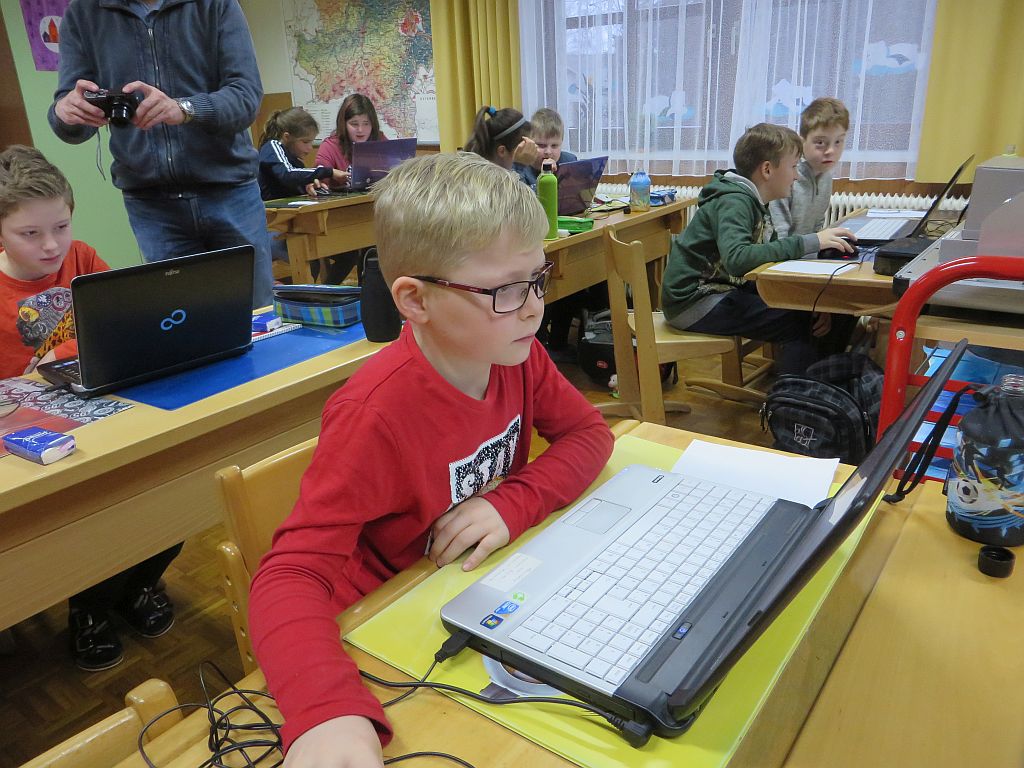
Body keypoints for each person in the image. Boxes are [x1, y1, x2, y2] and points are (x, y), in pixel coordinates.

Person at [248, 152, 614, 766]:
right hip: (385, 614)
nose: (534, 307)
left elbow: (588, 434)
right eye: (504, 290)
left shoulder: (516, 352)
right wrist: (327, 712)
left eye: (537, 277)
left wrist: (512, 503)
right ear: (415, 300)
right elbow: (289, 576)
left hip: (475, 585)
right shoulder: (373, 415)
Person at [0, 145, 180, 671]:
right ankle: (90, 608)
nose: (51, 245)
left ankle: (136, 585)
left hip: (99, 411)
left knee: (172, 487)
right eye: (29, 234)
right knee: (88, 518)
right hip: (27, 439)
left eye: (61, 226)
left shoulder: (82, 259)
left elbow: (121, 319)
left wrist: (68, 352)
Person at [47, 0, 274, 309]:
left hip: (230, 192)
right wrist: (66, 112)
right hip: (152, 205)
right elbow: (70, 118)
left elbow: (246, 97)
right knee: (180, 323)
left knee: (256, 316)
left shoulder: (216, 5)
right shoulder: (84, 13)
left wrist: (184, 109)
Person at [660, 123, 854, 375]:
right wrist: (811, 242)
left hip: (721, 290)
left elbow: (765, 258)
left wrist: (809, 297)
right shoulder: (735, 201)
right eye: (793, 167)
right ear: (767, 169)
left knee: (826, 310)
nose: (796, 176)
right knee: (801, 322)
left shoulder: (753, 200)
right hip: (694, 302)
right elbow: (738, 259)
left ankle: (818, 385)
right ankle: (793, 397)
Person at [769, 97, 850, 238]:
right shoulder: (784, 176)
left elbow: (816, 229)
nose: (831, 150)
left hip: (804, 250)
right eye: (820, 142)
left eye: (838, 141)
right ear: (802, 142)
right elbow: (778, 240)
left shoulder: (825, 175)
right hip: (783, 250)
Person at [258, 107, 347, 201]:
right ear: (287, 137)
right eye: (305, 142)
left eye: (311, 142)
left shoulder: (295, 160)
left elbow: (296, 181)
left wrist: (309, 186)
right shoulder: (272, 146)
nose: (310, 148)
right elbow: (288, 174)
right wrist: (329, 172)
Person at [315, 93, 385, 185]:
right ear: (344, 124)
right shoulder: (330, 146)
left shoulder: (380, 140)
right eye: (354, 124)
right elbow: (319, 178)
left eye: (366, 123)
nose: (360, 130)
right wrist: (317, 182)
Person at [514, 107, 578, 186]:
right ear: (530, 142)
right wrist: (545, 176)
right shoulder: (519, 167)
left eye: (554, 146)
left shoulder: (569, 162)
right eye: (541, 145)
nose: (548, 152)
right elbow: (519, 193)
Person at [464, 106, 539, 170]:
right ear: (502, 151)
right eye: (524, 150)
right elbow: (511, 182)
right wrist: (519, 165)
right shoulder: (481, 178)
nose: (532, 153)